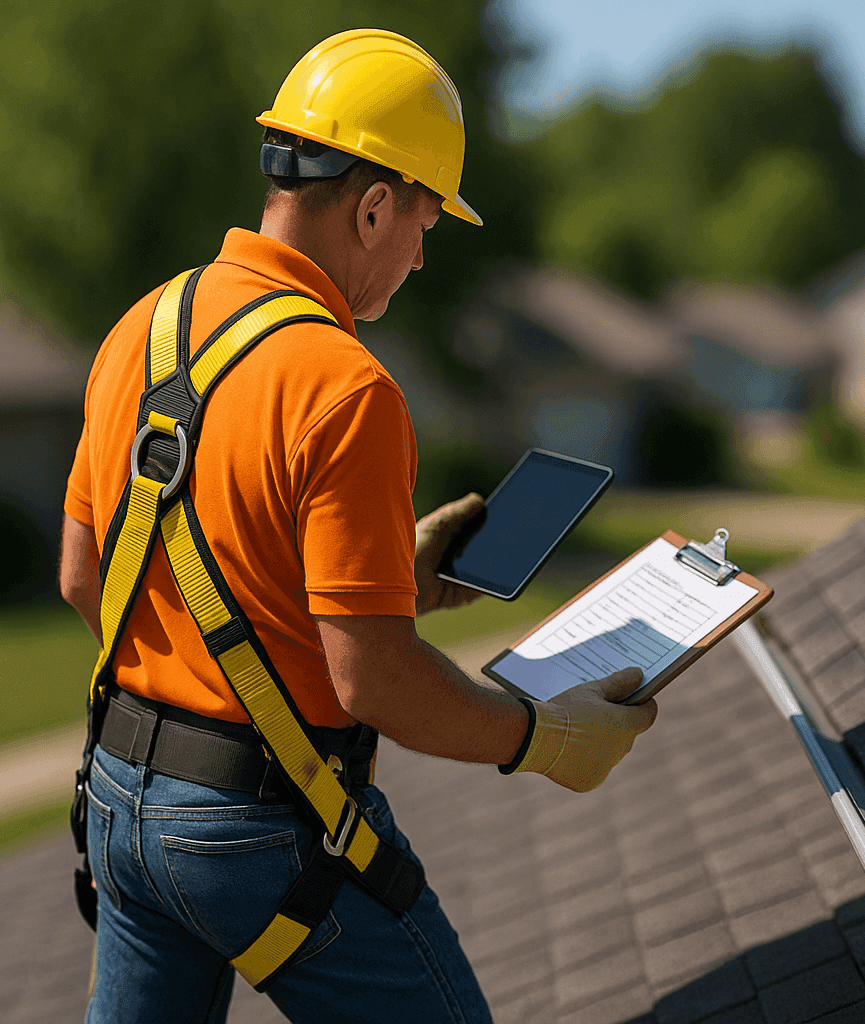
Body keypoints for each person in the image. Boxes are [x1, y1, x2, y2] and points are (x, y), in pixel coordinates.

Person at [57, 29, 657, 1023]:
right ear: (372, 206)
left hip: (119, 803)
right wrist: (544, 736)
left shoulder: (143, 327)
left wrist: (382, 581)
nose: (422, 255)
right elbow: (370, 681)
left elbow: (91, 575)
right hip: (259, 836)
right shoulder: (345, 387)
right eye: (424, 221)